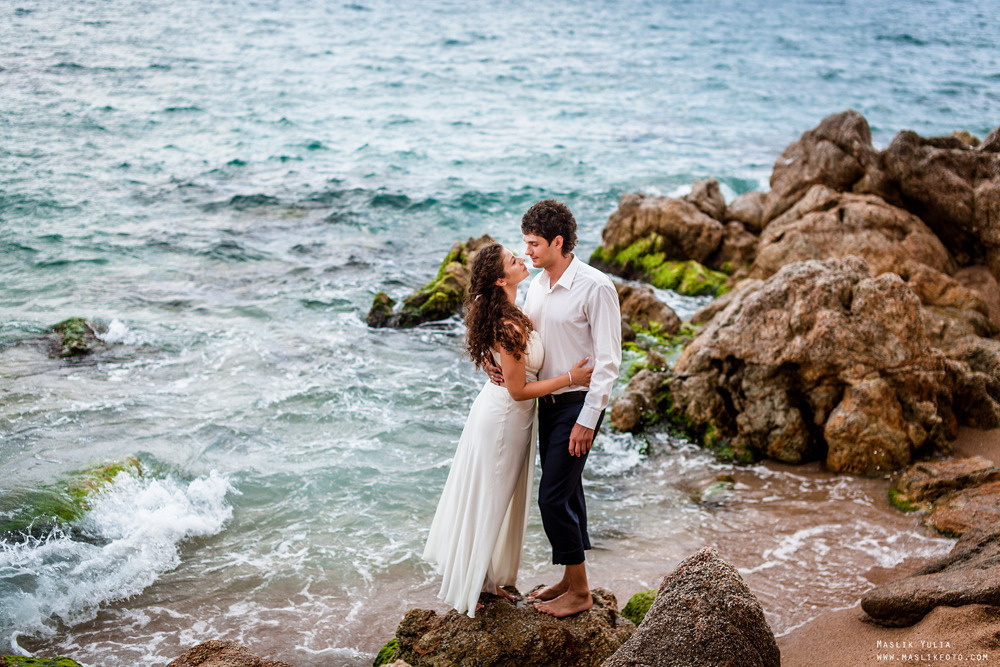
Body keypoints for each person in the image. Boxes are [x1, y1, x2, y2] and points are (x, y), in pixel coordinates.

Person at [422, 242, 595, 618]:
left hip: (508, 415)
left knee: (494, 497)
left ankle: (482, 579)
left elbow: (510, 364)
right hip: (503, 418)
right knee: (492, 497)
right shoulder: (507, 322)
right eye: (514, 260)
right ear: (502, 278)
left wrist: (490, 359)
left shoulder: (514, 309)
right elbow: (517, 390)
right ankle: (476, 584)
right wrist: (571, 377)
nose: (522, 258)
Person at [510, 199, 622, 618]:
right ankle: (569, 577)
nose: (528, 251)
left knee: (552, 498)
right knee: (569, 492)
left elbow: (609, 362)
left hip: (578, 404)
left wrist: (587, 421)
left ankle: (581, 594)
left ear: (559, 242)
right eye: (525, 243)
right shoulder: (537, 284)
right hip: (547, 402)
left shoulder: (595, 286)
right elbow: (524, 338)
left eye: (535, 243)